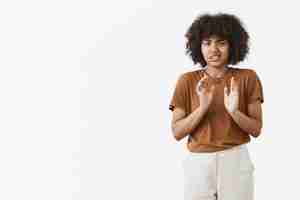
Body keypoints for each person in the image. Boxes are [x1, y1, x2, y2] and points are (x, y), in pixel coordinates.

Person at [168, 13, 264, 200]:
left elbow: (256, 129)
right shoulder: (187, 81)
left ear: (233, 45)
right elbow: (177, 132)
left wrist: (234, 111)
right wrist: (202, 108)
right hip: (199, 162)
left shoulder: (248, 78)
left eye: (221, 42)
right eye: (207, 43)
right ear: (198, 46)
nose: (214, 49)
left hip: (235, 159)